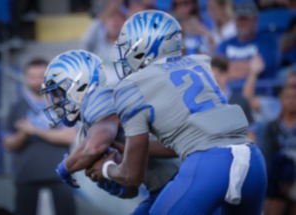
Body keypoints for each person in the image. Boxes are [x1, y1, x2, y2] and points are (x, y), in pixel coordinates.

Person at [88, 10, 267, 214]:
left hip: (209, 167)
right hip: (253, 160)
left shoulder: (132, 86)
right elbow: (183, 141)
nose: (125, 55)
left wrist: (105, 168)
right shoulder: (199, 63)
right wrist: (122, 146)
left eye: (129, 47)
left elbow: (132, 175)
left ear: (145, 47)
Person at [40, 50, 180, 214]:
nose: (56, 103)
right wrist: (114, 184)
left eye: (59, 94)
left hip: (181, 177)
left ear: (79, 85)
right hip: (162, 187)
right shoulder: (87, 129)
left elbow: (95, 147)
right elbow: (132, 188)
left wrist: (65, 168)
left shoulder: (99, 98)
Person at [2, 58, 77, 215]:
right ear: (25, 78)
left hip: (61, 174)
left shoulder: (63, 104)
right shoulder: (16, 107)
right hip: (26, 176)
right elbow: (8, 145)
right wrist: (23, 133)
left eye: (41, 76)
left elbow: (70, 136)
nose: (37, 81)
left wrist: (34, 129)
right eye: (32, 76)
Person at [216, 1, 280, 80]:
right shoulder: (224, 45)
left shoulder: (268, 42)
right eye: (239, 19)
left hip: (260, 90)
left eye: (246, 19)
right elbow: (218, 71)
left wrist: (230, 69)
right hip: (229, 91)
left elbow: (264, 66)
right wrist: (251, 67)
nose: (242, 23)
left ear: (255, 20)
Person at [262, 84, 296, 215]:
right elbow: (268, 155)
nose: (291, 101)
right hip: (278, 178)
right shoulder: (271, 127)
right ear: (281, 100)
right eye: (287, 97)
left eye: (295, 97)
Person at [211, 56, 253, 124]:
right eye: (212, 75)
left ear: (227, 74)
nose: (216, 79)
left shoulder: (241, 102)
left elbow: (250, 132)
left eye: (220, 73)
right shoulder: (203, 103)